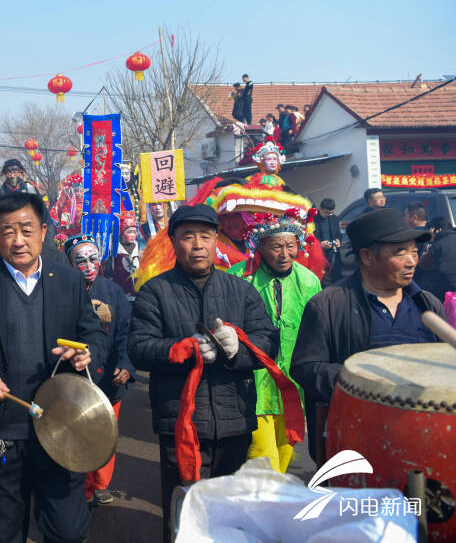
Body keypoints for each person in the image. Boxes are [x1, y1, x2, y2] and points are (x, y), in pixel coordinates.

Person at [0, 192, 106, 543]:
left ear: (44, 231)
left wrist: (88, 353)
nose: (18, 241)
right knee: (6, 533)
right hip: (4, 431)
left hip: (62, 427)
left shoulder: (69, 281)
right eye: (7, 231)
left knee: (69, 530)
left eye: (26, 230)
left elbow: (93, 333)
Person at [128, 203, 277, 539]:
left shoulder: (241, 289)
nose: (197, 245)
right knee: (185, 511)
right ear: (174, 243)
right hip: (180, 423)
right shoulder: (155, 292)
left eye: (205, 237)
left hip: (234, 419)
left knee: (229, 514)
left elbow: (268, 340)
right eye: (188, 237)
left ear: (216, 241)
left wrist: (239, 347)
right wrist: (178, 350)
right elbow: (138, 348)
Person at [291, 208, 443, 462]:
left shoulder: (427, 305)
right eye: (400, 252)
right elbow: (306, 368)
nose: (412, 261)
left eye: (415, 251)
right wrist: (366, 382)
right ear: (367, 256)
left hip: (421, 439)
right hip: (357, 443)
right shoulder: (328, 305)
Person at [227, 210, 321, 473]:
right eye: (276, 246)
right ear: (259, 247)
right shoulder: (239, 277)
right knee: (261, 453)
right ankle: (264, 504)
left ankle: (271, 503)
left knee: (286, 447)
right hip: (253, 381)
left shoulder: (309, 280)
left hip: (293, 379)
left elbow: (317, 330)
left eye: (291, 246)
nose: (284, 254)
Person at [63, 234, 134, 506]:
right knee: (76, 433)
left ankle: (101, 483)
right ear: (70, 264)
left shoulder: (114, 292)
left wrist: (125, 364)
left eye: (93, 259)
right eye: (80, 261)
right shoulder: (62, 291)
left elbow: (126, 334)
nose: (88, 266)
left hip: (108, 381)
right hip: (75, 380)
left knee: (105, 433)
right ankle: (82, 486)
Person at [415, 216, 456, 308]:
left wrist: (429, 242)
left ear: (437, 230)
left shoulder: (436, 245)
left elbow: (424, 265)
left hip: (444, 288)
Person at [112, 215, 144, 301]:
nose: (133, 235)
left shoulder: (140, 248)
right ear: (121, 233)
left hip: (139, 295)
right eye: (129, 232)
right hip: (121, 296)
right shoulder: (114, 251)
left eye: (134, 232)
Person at [314, 198, 342, 283]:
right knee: (320, 277)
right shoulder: (313, 219)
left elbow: (338, 234)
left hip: (333, 253)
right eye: (326, 212)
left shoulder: (334, 219)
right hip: (318, 252)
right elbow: (309, 236)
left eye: (330, 213)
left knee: (336, 276)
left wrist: (338, 240)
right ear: (320, 209)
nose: (328, 215)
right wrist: (320, 244)